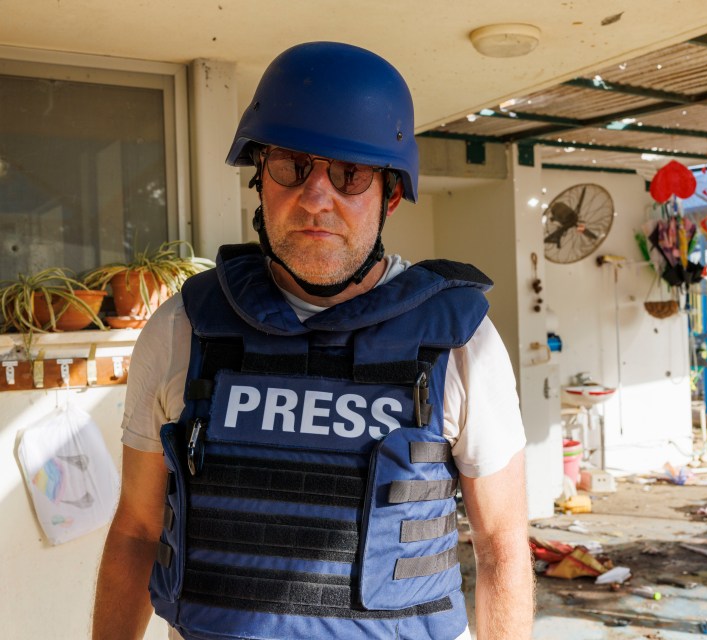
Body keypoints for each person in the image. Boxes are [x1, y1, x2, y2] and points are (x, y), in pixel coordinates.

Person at [93, 41, 533, 640]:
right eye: (291, 166)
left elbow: (501, 544)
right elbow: (137, 531)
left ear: (391, 195)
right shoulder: (183, 328)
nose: (316, 196)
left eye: (349, 173)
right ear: (260, 180)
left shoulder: (460, 342)